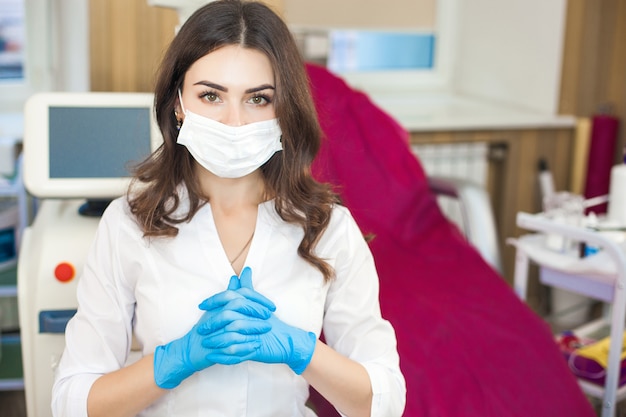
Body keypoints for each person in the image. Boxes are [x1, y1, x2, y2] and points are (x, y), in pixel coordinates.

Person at [51, 1, 406, 416]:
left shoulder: (327, 227)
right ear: (178, 104)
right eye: (211, 96)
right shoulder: (129, 223)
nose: (233, 122)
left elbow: (383, 402)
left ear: (284, 110)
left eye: (257, 99)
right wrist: (176, 360)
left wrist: (302, 352)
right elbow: (73, 403)